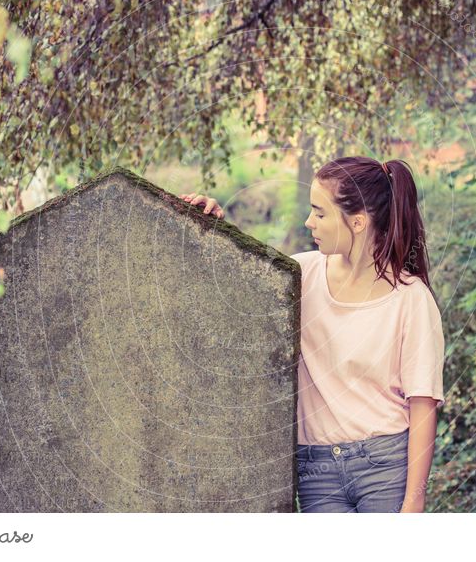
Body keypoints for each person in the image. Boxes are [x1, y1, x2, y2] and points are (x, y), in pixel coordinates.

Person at [179, 156, 445, 513]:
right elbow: (237, 286)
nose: (309, 222)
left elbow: (423, 405)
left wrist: (414, 503)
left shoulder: (410, 298)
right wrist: (211, 226)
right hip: (316, 470)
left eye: (320, 213)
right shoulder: (300, 275)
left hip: (385, 467)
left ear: (358, 221)